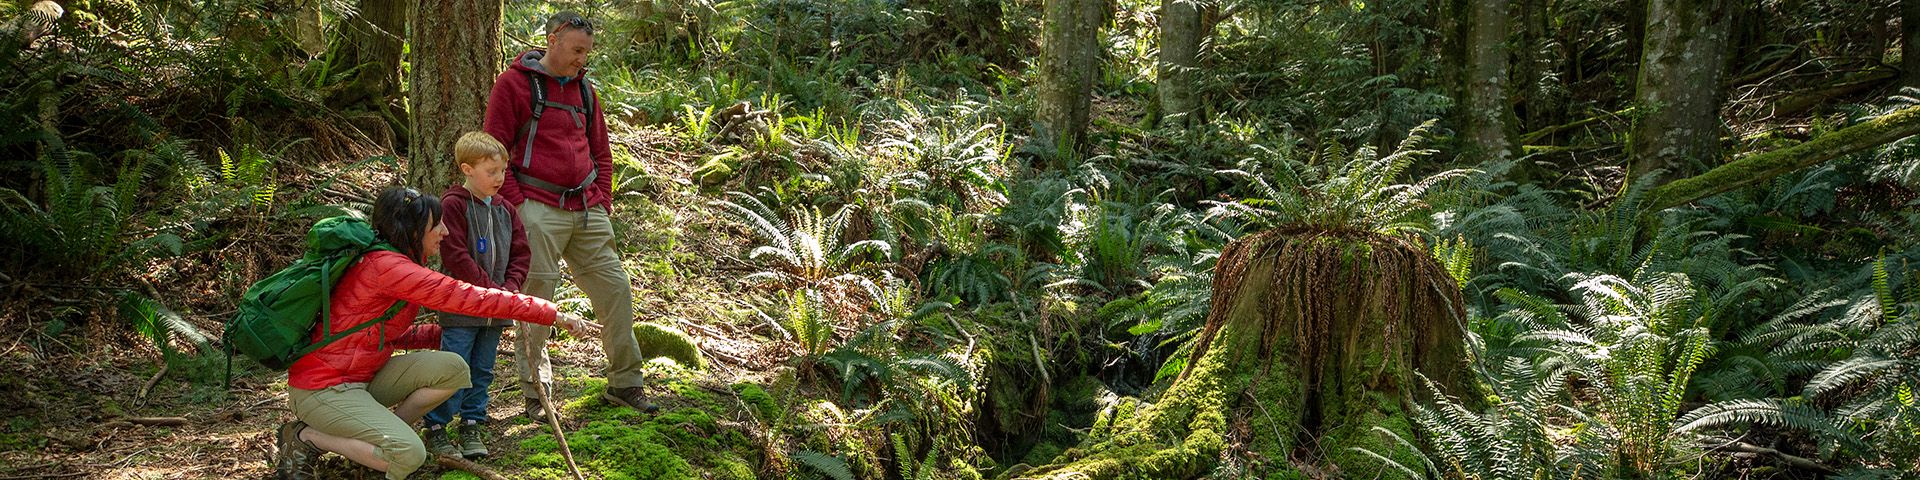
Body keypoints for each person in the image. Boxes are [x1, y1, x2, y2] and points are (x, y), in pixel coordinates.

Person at [272, 187, 601, 480]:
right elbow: (471, 297)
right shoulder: (391, 269)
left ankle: (379, 441)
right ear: (413, 230)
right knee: (411, 456)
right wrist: (551, 313)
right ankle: (305, 436)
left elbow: (379, 335)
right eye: (436, 224)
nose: (444, 231)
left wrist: (436, 335)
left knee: (454, 368)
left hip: (361, 376)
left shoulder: (392, 263)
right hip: (322, 389)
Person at [483, 10, 655, 417]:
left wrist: (603, 203)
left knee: (616, 291)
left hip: (587, 209)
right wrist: (518, 206)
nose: (583, 59)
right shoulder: (512, 85)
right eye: (577, 50)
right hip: (536, 208)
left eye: (587, 52)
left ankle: (626, 384)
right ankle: (536, 394)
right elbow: (493, 152)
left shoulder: (585, 92)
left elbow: (602, 154)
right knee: (536, 300)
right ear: (553, 39)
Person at [420, 132, 530, 460]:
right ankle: (437, 426)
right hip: (462, 307)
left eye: (502, 171)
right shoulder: (452, 205)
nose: (499, 178)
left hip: (497, 308)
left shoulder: (506, 210)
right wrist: (487, 290)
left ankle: (471, 422)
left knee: (482, 368)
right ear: (467, 169)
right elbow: (455, 255)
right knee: (454, 365)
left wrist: (510, 289)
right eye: (491, 172)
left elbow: (521, 253)